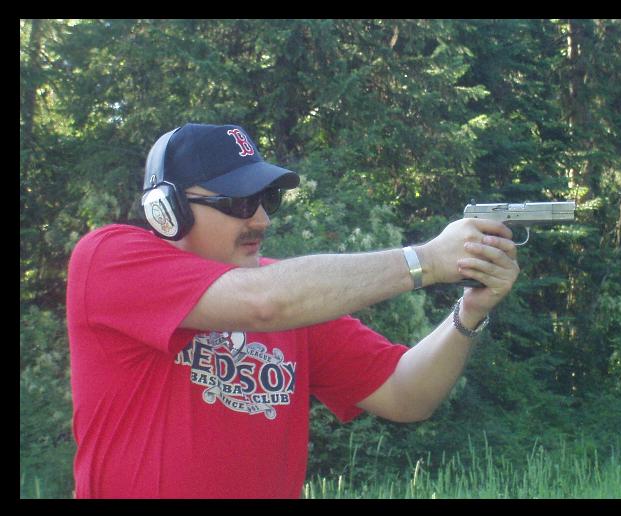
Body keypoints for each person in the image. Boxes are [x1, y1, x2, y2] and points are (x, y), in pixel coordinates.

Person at [66, 123, 519, 499]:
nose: (261, 219)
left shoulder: (290, 298)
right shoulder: (108, 259)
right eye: (240, 203)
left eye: (268, 200)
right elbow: (263, 302)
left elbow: (407, 396)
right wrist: (428, 260)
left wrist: (469, 312)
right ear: (167, 210)